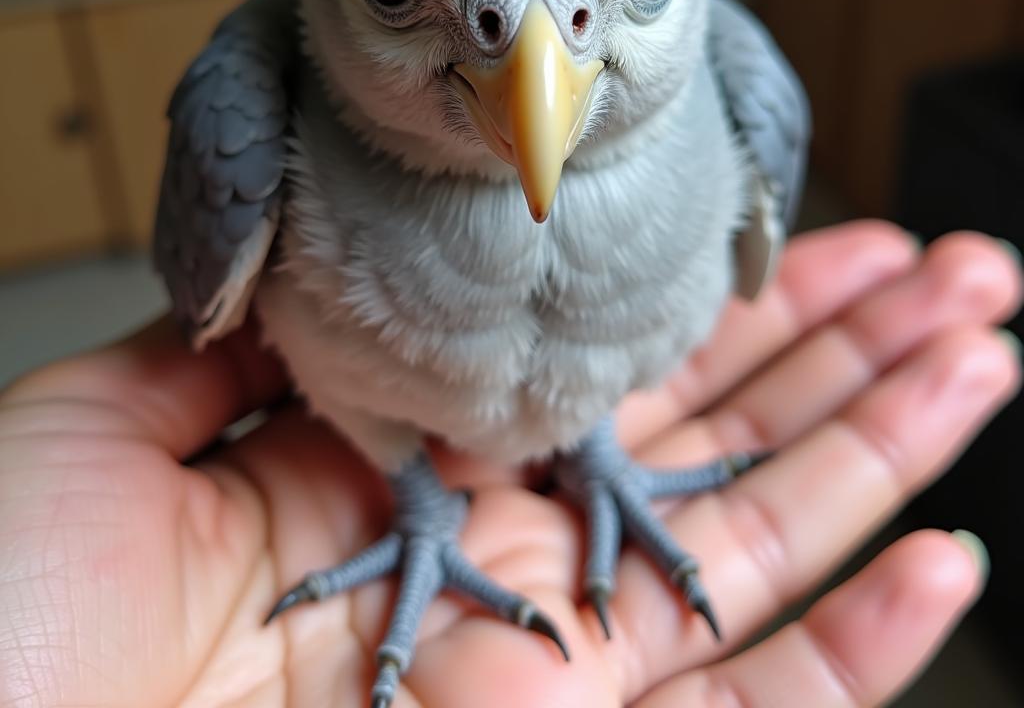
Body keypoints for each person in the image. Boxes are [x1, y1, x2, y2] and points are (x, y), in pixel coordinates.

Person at [0, 221, 1020, 708]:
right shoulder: (270, 111)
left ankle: (589, 452)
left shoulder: (725, 87)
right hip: (367, 427)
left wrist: (591, 432)